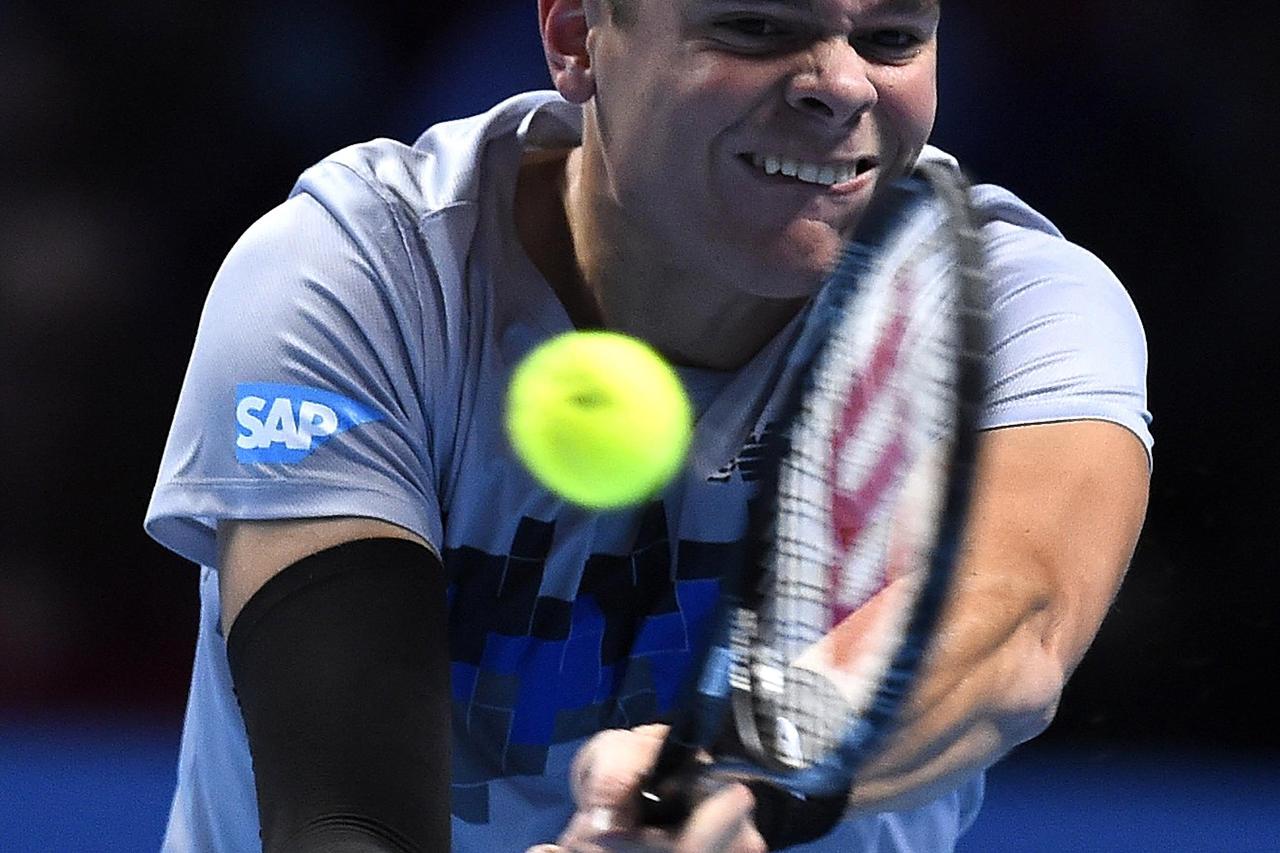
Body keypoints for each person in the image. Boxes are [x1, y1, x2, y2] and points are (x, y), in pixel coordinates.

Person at [145, 0, 1152, 850]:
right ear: (577, 37)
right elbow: (340, 810)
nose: (841, 85)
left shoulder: (1016, 308)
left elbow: (1007, 621)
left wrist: (741, 769)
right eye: (755, 27)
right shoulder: (365, 272)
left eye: (891, 39)